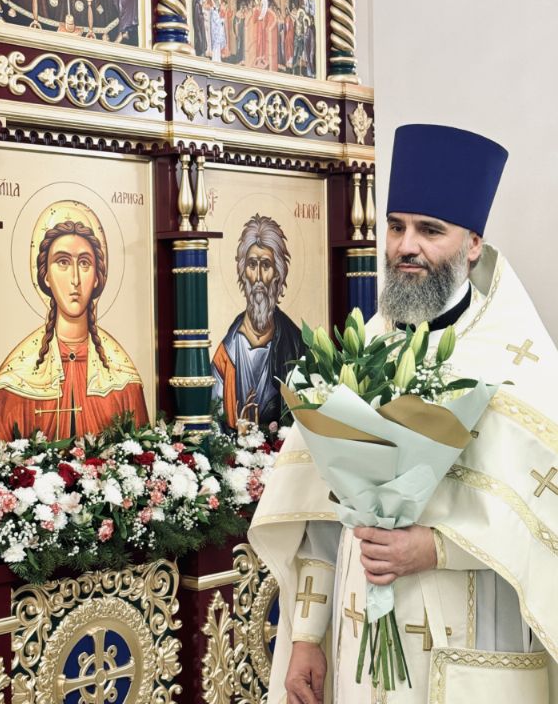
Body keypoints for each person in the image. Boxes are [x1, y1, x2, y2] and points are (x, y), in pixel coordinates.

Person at [250, 124, 558, 702]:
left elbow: (548, 530)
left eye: (429, 230)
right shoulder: (360, 349)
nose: (405, 246)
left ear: (473, 243)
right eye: (396, 227)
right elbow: (320, 515)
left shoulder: (523, 364)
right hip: (357, 647)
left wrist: (437, 547)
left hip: (471, 644)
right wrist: (307, 638)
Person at [0, 200, 149, 441]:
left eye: (84, 263)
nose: (75, 278)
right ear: (45, 276)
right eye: (63, 262)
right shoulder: (17, 378)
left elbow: (141, 448)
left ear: (97, 277)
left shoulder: (122, 377)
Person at [212, 214, 302, 428]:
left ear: (278, 274)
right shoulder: (227, 353)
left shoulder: (296, 345)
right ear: (243, 273)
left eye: (266, 265)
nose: (259, 277)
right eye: (252, 264)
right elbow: (213, 419)